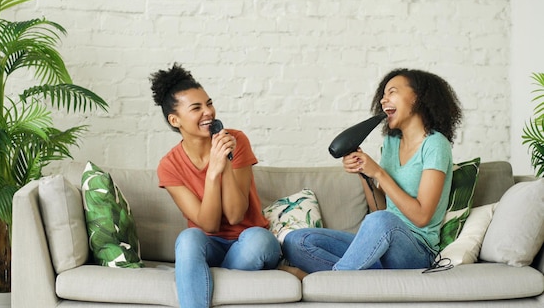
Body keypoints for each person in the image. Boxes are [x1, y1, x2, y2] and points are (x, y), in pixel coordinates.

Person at [282, 68, 462, 277]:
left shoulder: (435, 144)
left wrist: (378, 172)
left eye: (392, 92)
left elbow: (422, 217)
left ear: (418, 98)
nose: (384, 101)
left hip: (418, 250)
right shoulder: (391, 143)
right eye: (383, 95)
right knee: (297, 241)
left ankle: (333, 281)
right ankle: (362, 275)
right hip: (381, 243)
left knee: (381, 222)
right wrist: (364, 173)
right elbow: (381, 207)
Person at [149, 63, 281, 308]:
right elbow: (208, 224)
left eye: (209, 103)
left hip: (248, 242)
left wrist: (226, 162)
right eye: (196, 108)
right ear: (175, 119)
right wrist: (213, 173)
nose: (208, 112)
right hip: (210, 247)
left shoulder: (235, 140)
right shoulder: (169, 166)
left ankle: (203, 281)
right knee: (189, 238)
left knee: (259, 240)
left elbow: (234, 215)